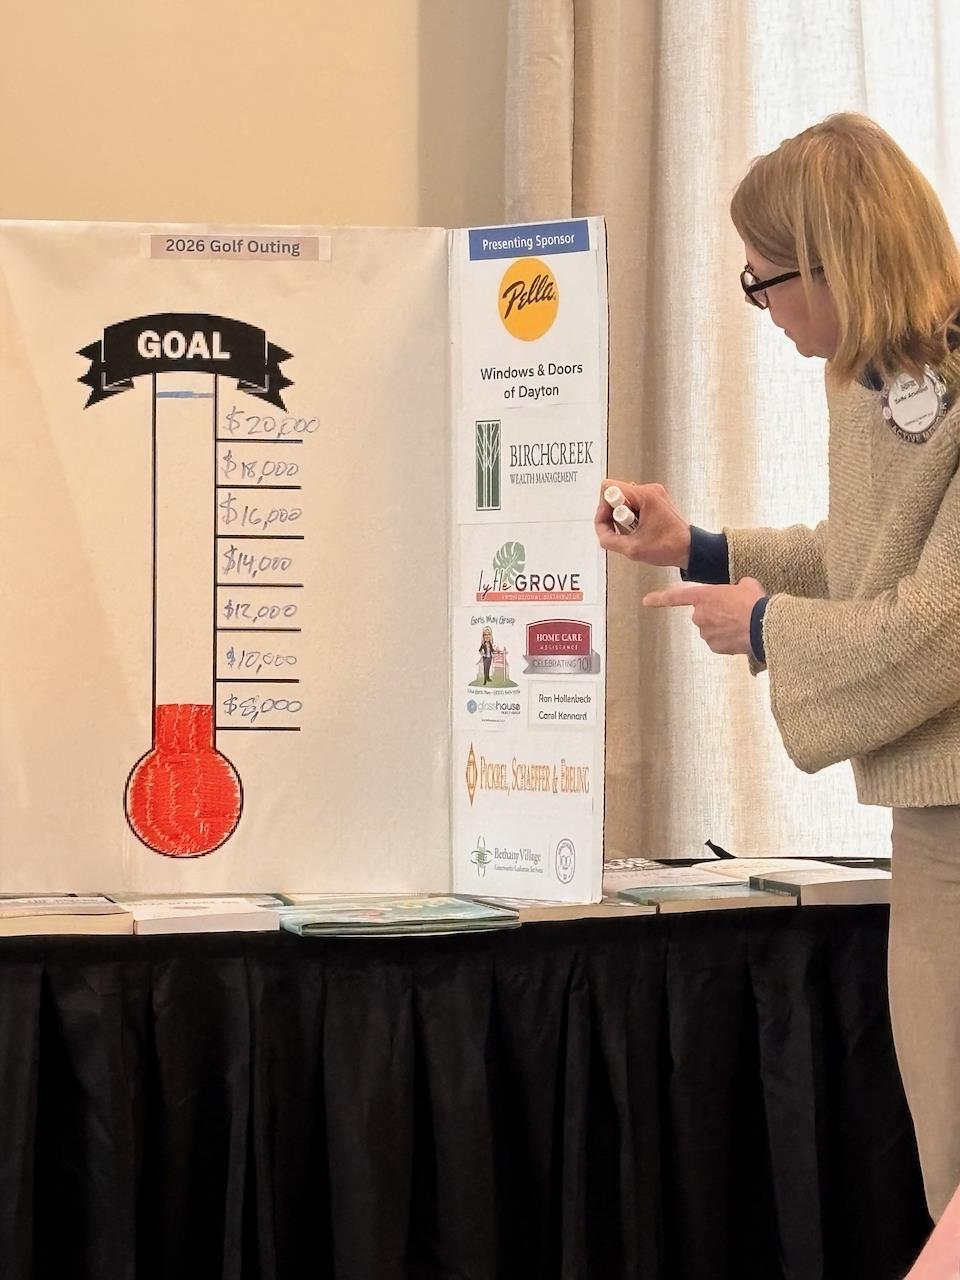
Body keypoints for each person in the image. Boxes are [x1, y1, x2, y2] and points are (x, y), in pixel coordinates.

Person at [596, 113, 960, 1227]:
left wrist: (764, 629)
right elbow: (862, 559)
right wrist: (701, 548)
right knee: (946, 1164)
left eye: (764, 280)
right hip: (934, 827)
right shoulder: (879, 384)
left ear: (833, 261)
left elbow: (941, 627)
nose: (763, 306)